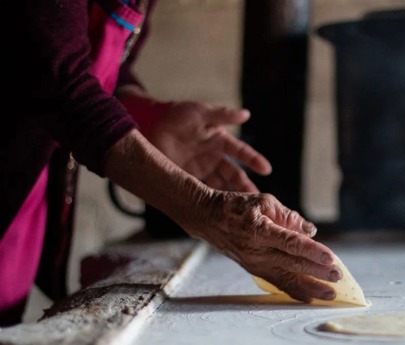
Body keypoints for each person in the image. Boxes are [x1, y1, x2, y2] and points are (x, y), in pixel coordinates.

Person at [0, 0, 341, 326]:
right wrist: (202, 208)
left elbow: (97, 65)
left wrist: (146, 117)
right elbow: (53, 79)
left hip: (20, 224)